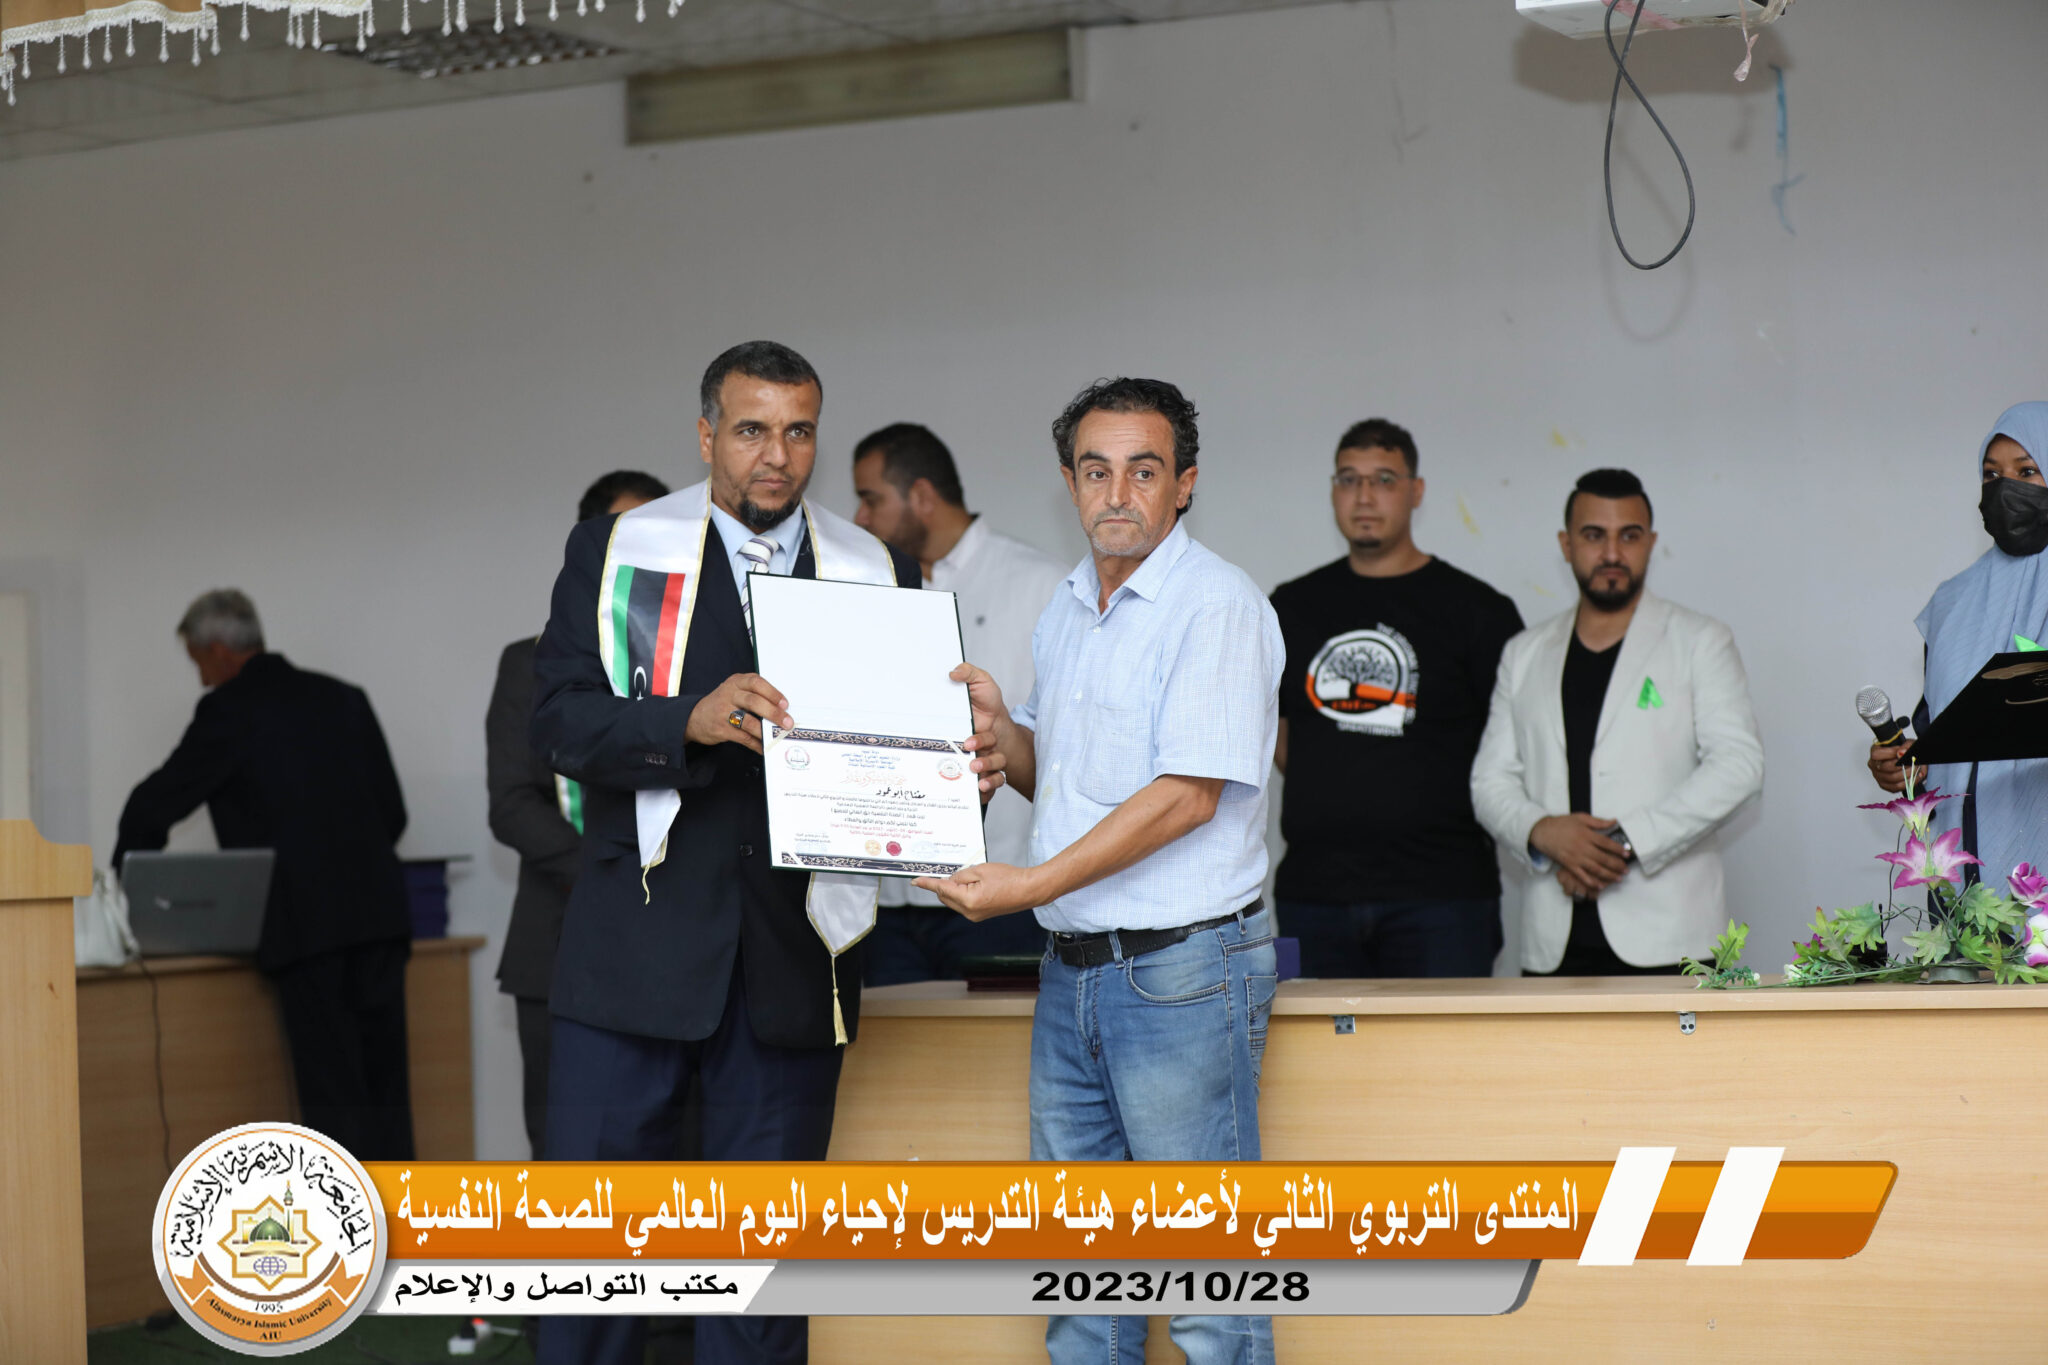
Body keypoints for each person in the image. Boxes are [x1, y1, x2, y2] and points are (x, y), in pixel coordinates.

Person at [530, 341, 1002, 1365]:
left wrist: (953, 779)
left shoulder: (879, 567)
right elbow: (558, 724)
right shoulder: (615, 551)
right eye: (751, 430)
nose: (776, 456)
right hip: (632, 952)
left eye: (797, 432)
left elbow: (907, 745)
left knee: (760, 1278)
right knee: (594, 1261)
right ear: (706, 436)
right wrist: (684, 721)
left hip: (792, 959)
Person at [917, 377, 1283, 1365]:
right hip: (1073, 969)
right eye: (1095, 470)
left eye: (1142, 470)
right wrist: (1001, 734)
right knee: (1083, 1286)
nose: (1116, 493)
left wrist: (1026, 886)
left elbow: (1186, 797)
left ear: (1184, 484)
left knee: (1206, 1290)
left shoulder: (1216, 606)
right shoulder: (1070, 607)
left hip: (1179, 973)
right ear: (1069, 481)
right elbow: (1067, 780)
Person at [113, 590, 415, 1159]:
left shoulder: (230, 711)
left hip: (304, 933)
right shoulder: (345, 699)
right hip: (380, 922)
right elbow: (393, 814)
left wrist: (127, 895)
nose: (202, 679)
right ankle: (402, 1217)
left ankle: (350, 1219)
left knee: (335, 1106)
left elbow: (153, 805)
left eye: (198, 662)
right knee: (388, 1101)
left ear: (218, 650)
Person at [1470, 469, 1764, 975]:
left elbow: (1739, 767)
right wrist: (1542, 831)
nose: (1612, 553)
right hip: (1553, 944)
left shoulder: (1700, 640)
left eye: (1629, 536)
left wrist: (1623, 842)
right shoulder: (1524, 654)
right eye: (1593, 535)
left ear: (1650, 543)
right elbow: (1489, 781)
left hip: (1673, 941)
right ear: (1566, 545)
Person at [1270, 418, 1524, 978]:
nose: (1364, 496)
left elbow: (1513, 748)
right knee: (1312, 1042)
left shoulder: (1478, 611)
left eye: (1384, 479)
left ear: (1416, 491)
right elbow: (1280, 735)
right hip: (1315, 895)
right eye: (1349, 479)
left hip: (1443, 897)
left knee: (1444, 1041)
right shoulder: (1290, 607)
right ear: (1333, 491)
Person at [486, 469, 668, 1159]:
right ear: (591, 545)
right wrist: (609, 871)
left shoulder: (692, 667)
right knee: (568, 1152)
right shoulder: (529, 662)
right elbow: (511, 803)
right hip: (559, 936)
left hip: (675, 943)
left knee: (674, 1153)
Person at [850, 422, 1068, 984]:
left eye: (871, 499)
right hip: (886, 899)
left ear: (921, 497)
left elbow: (1067, 745)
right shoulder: (861, 588)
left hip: (1001, 895)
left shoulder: (1045, 586)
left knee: (998, 1043)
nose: (860, 518)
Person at [1868, 402, 2048, 881]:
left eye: (2027, 471)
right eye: (1991, 475)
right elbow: (1943, 732)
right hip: (1964, 875)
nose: (2005, 488)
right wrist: (1908, 765)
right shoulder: (1952, 604)